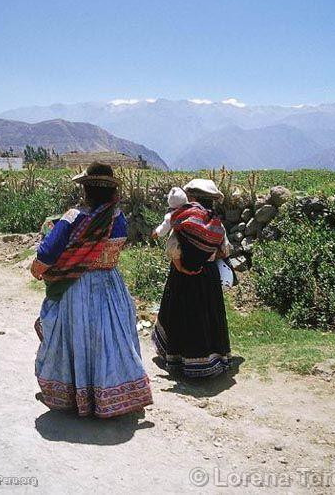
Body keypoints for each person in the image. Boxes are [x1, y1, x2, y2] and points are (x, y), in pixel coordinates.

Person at [31, 162, 153, 418]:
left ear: (85, 189)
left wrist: (39, 268)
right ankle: (116, 394)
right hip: (111, 285)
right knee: (111, 340)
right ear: (112, 192)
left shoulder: (74, 217)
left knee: (78, 339)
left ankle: (77, 396)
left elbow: (48, 253)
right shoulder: (118, 218)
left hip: (78, 288)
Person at [152, 178, 232, 377]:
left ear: (193, 196)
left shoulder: (184, 218)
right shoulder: (215, 222)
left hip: (183, 274)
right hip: (208, 276)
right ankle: (212, 359)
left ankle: (178, 359)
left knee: (180, 314)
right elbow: (225, 249)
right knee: (208, 314)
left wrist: (181, 265)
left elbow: (173, 248)